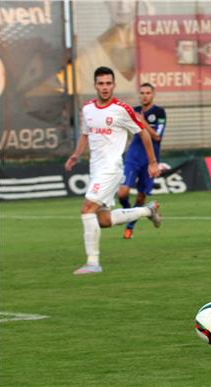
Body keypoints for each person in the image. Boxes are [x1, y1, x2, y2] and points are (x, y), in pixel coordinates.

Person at [65, 66, 162, 275]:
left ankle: (93, 263)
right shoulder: (88, 109)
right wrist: (76, 154)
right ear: (95, 86)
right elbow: (85, 135)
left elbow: (144, 133)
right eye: (101, 83)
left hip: (111, 168)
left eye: (109, 83)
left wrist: (152, 162)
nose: (105, 87)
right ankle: (148, 210)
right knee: (104, 220)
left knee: (86, 209)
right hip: (96, 169)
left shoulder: (122, 109)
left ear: (114, 85)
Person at [118, 82, 166, 239]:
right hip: (133, 155)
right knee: (122, 193)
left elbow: (157, 137)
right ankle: (131, 215)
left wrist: (143, 122)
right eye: (142, 93)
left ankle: (129, 226)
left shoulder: (159, 112)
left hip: (150, 158)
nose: (144, 95)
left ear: (153, 94)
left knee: (140, 196)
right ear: (139, 95)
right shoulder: (134, 111)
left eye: (147, 93)